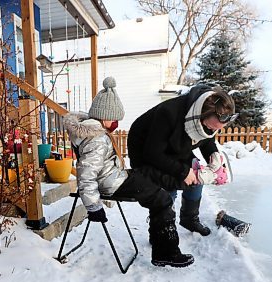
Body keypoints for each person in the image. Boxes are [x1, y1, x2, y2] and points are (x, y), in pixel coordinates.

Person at [63, 77, 194, 268]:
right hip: (111, 183)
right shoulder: (96, 139)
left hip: (115, 176)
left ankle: (180, 183)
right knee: (162, 199)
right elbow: (86, 174)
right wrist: (93, 206)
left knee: (148, 173)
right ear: (103, 116)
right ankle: (166, 252)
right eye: (114, 119)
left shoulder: (96, 133)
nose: (116, 123)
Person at [127, 84, 236, 236]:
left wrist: (214, 158)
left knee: (197, 174)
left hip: (175, 146)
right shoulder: (169, 114)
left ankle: (189, 219)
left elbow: (207, 139)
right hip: (146, 151)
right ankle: (162, 231)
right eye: (213, 128)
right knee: (168, 186)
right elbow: (153, 153)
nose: (214, 131)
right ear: (203, 114)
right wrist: (183, 171)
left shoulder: (205, 118)